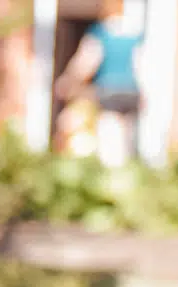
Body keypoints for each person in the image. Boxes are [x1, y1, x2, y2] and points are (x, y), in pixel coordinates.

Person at [54, 0, 146, 166]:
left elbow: (86, 61)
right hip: (131, 91)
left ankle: (112, 174)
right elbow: (140, 65)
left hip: (110, 90)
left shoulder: (102, 33)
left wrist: (69, 79)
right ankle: (126, 171)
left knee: (110, 138)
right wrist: (144, 91)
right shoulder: (134, 34)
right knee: (127, 139)